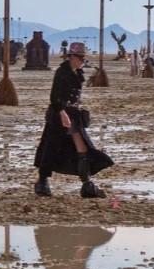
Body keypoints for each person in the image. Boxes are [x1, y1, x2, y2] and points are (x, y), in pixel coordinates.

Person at [33, 42, 113, 198]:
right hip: (58, 115)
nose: (82, 61)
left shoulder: (78, 73)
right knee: (50, 148)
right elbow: (55, 97)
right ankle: (42, 182)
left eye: (83, 58)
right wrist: (62, 114)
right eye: (80, 58)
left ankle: (87, 184)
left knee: (82, 147)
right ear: (71, 57)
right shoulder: (62, 72)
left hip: (73, 115)